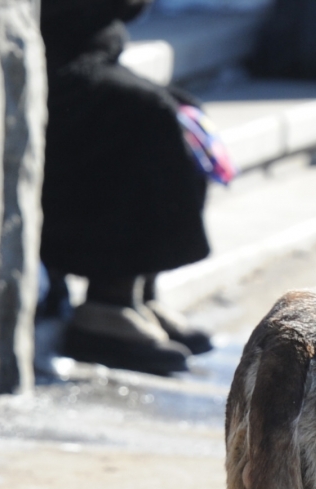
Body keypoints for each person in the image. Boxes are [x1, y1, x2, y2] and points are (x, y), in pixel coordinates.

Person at [40, 0, 219, 375]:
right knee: (143, 115)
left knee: (180, 112)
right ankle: (108, 301)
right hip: (51, 61)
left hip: (92, 54)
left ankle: (141, 289)